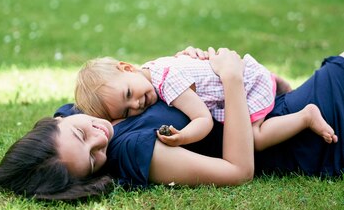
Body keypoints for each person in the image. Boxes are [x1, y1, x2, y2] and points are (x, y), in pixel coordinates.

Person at [0, 48, 344, 201]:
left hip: (278, 105)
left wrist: (189, 66)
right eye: (94, 159)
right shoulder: (130, 151)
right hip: (304, 135)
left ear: (57, 120)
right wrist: (231, 79)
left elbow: (147, 82)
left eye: (81, 133)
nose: (100, 138)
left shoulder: (81, 110)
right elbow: (238, 170)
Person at [74, 52, 337, 151]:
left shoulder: (168, 83)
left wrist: (182, 137)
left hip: (244, 84)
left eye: (128, 94)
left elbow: (203, 119)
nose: (136, 105)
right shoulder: (153, 68)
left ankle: (306, 116)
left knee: (254, 139)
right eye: (126, 112)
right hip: (249, 73)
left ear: (127, 68)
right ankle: (277, 84)